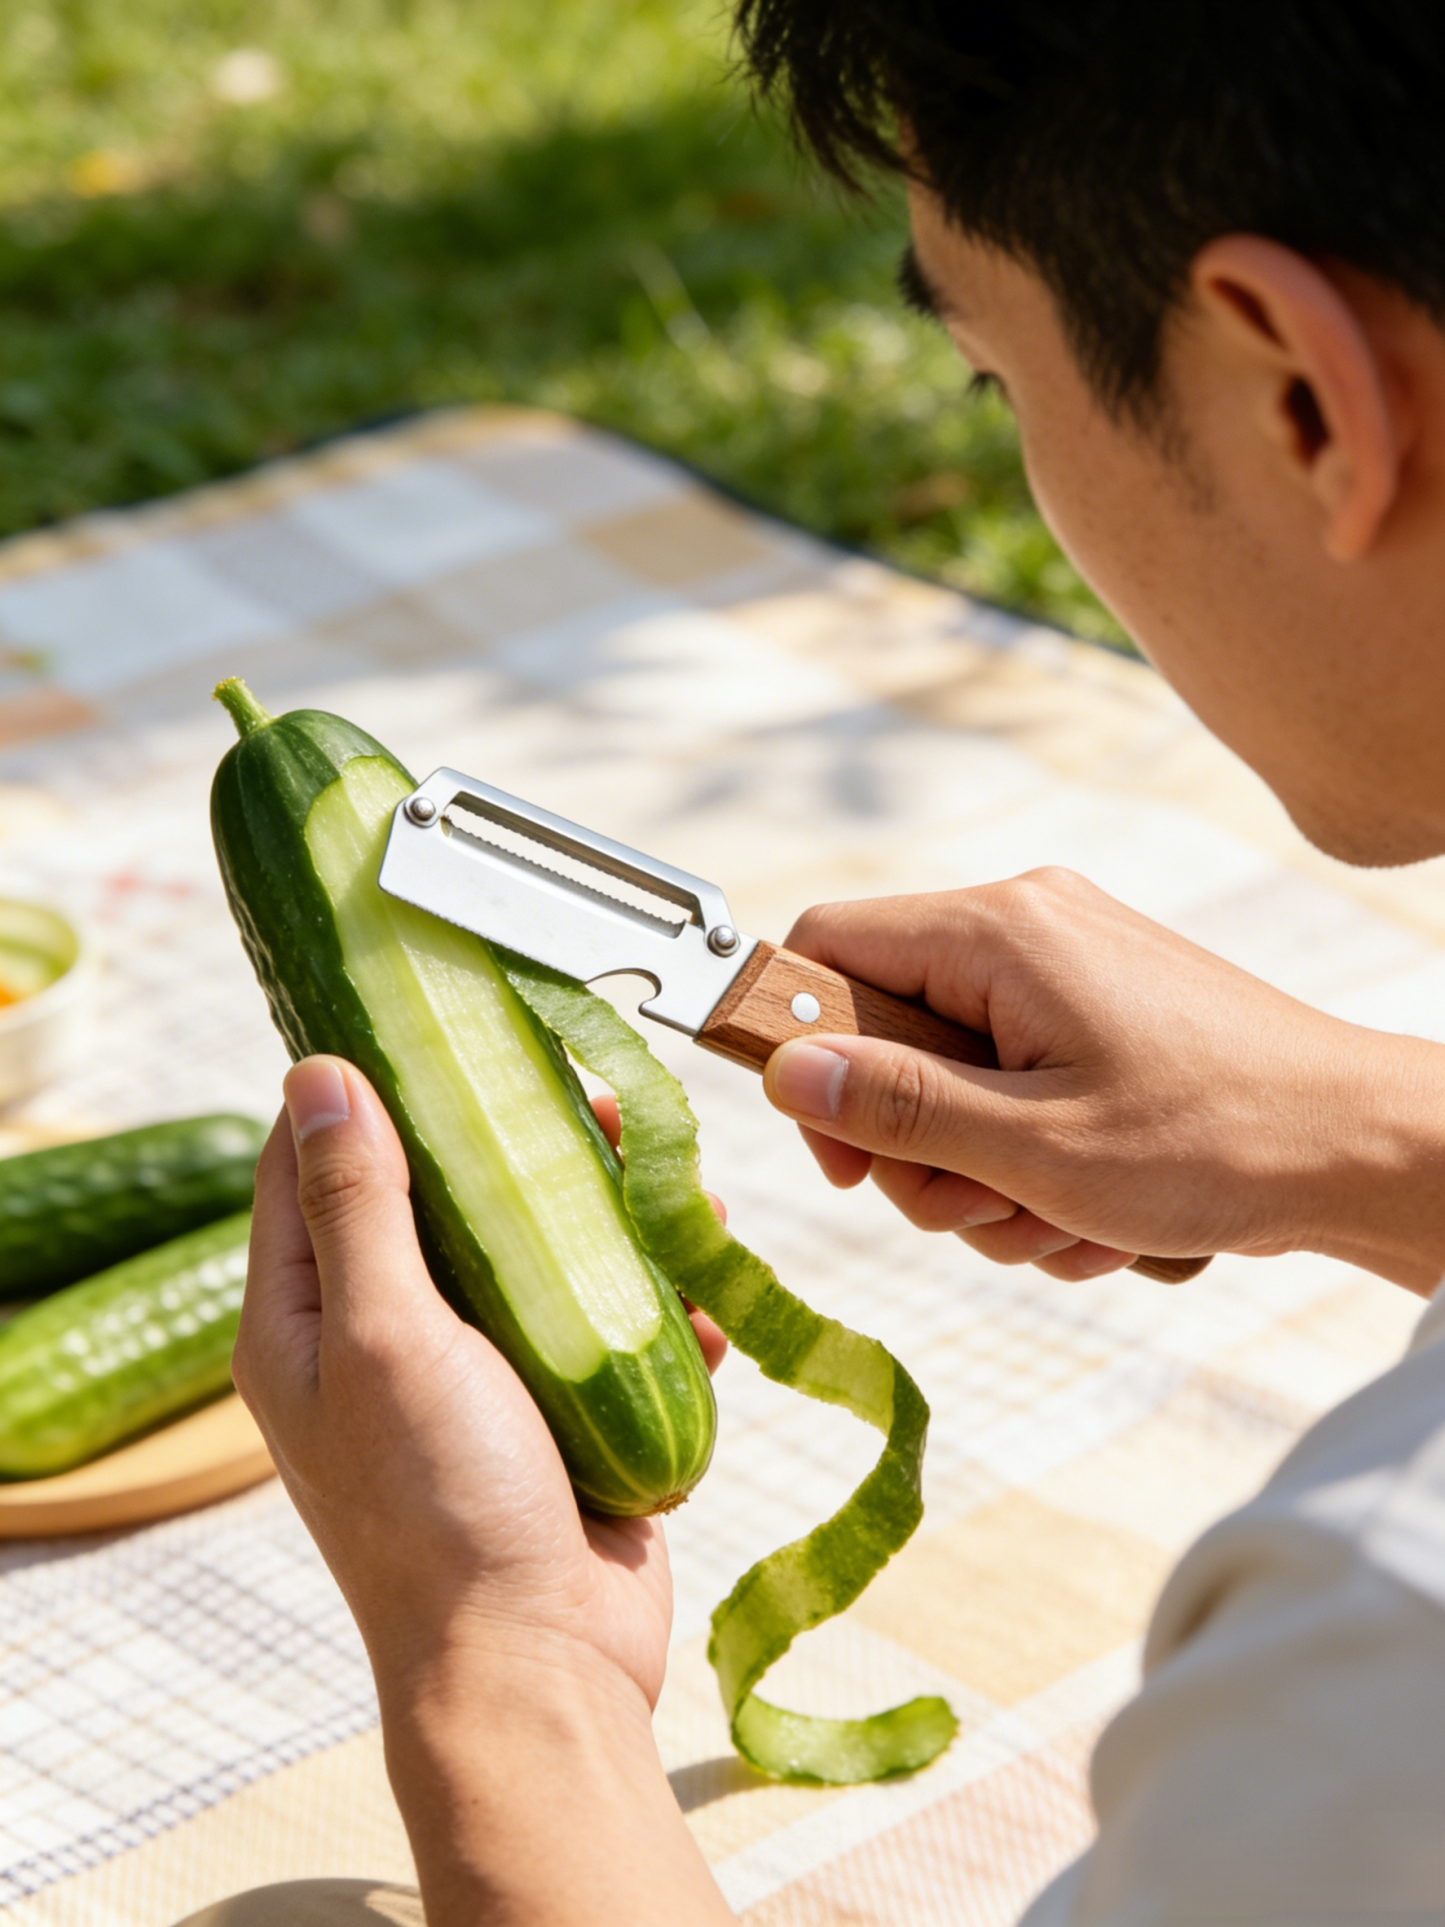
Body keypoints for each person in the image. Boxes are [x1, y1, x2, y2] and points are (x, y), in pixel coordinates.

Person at [192, 3, 1445, 1921]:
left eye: (989, 379)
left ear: (1305, 399)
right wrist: (1369, 1135)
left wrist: (507, 1664)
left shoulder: (1372, 1665)